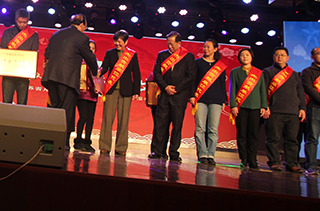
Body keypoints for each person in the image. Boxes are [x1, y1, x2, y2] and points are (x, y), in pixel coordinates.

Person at [41, 14, 98, 148]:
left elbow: (47, 53)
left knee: (55, 110)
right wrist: (96, 72)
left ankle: (51, 142)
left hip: (51, 78)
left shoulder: (56, 34)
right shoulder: (82, 37)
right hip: (67, 79)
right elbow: (90, 57)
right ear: (82, 24)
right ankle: (63, 143)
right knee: (67, 111)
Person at [149, 31, 195, 162]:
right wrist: (165, 87)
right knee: (160, 125)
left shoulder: (188, 57)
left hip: (179, 97)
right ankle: (158, 151)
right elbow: (157, 73)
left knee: (177, 126)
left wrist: (177, 88)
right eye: (168, 44)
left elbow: (191, 76)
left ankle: (174, 153)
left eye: (172, 44)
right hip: (164, 95)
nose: (170, 47)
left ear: (179, 43)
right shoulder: (162, 55)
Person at [263, 46, 306, 173]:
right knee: (273, 139)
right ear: (273, 57)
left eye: (282, 55)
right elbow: (263, 91)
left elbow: (300, 92)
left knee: (292, 140)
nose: (280, 57)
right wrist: (265, 106)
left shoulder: (294, 74)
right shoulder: (267, 72)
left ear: (287, 57)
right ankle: (274, 162)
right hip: (275, 110)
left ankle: (291, 163)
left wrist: (302, 108)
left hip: (292, 111)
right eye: (277, 55)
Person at [97, 30, 140, 156]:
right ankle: (104, 146)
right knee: (107, 119)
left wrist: (136, 91)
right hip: (111, 89)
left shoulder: (132, 55)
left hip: (126, 90)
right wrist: (100, 72)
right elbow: (105, 67)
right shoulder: (110, 53)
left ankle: (121, 147)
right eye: (116, 41)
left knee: (123, 120)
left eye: (120, 42)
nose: (117, 44)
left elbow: (136, 73)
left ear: (126, 42)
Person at [189, 39, 228, 166]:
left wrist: (224, 100)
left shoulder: (220, 66)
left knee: (213, 129)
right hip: (200, 99)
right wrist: (192, 95)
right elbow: (193, 81)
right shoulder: (198, 63)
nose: (206, 49)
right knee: (200, 128)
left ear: (215, 49)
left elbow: (222, 84)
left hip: (216, 100)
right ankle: (202, 154)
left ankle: (211, 154)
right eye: (205, 47)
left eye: (209, 47)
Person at [230, 48, 268, 170]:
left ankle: (253, 159)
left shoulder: (258, 73)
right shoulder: (235, 72)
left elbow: (262, 90)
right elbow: (232, 90)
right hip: (241, 107)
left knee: (253, 135)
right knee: (241, 134)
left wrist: (264, 106)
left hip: (255, 107)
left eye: (247, 55)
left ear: (251, 57)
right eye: (242, 55)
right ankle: (243, 159)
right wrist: (233, 105)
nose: (245, 57)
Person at [0, 8, 39, 105]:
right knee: (6, 103)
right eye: (20, 22)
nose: (22, 24)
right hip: (8, 73)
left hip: (23, 73)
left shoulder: (33, 35)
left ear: (28, 21)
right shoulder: (8, 33)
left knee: (22, 103)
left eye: (25, 22)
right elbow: (3, 52)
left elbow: (34, 54)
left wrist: (32, 71)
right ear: (16, 20)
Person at [74, 40, 101, 153]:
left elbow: (99, 79)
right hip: (82, 94)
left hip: (93, 95)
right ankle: (78, 140)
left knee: (90, 119)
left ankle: (87, 141)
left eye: (93, 49)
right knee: (83, 117)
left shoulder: (96, 64)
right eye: (89, 48)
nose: (91, 50)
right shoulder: (79, 61)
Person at [301, 47, 320, 175]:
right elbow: (308, 89)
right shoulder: (307, 72)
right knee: (312, 137)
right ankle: (311, 166)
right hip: (314, 108)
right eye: (318, 53)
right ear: (312, 57)